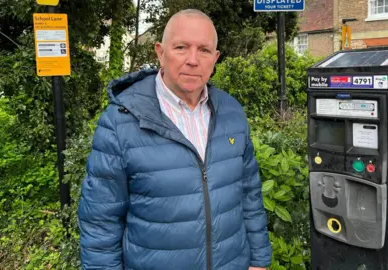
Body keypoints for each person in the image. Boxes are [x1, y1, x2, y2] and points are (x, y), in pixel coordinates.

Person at [77, 9, 272, 270]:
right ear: (160, 52)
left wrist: (259, 260)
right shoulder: (120, 122)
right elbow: (100, 222)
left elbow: (249, 195)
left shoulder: (232, 112)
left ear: (215, 58)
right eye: (181, 47)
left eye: (204, 50)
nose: (193, 60)